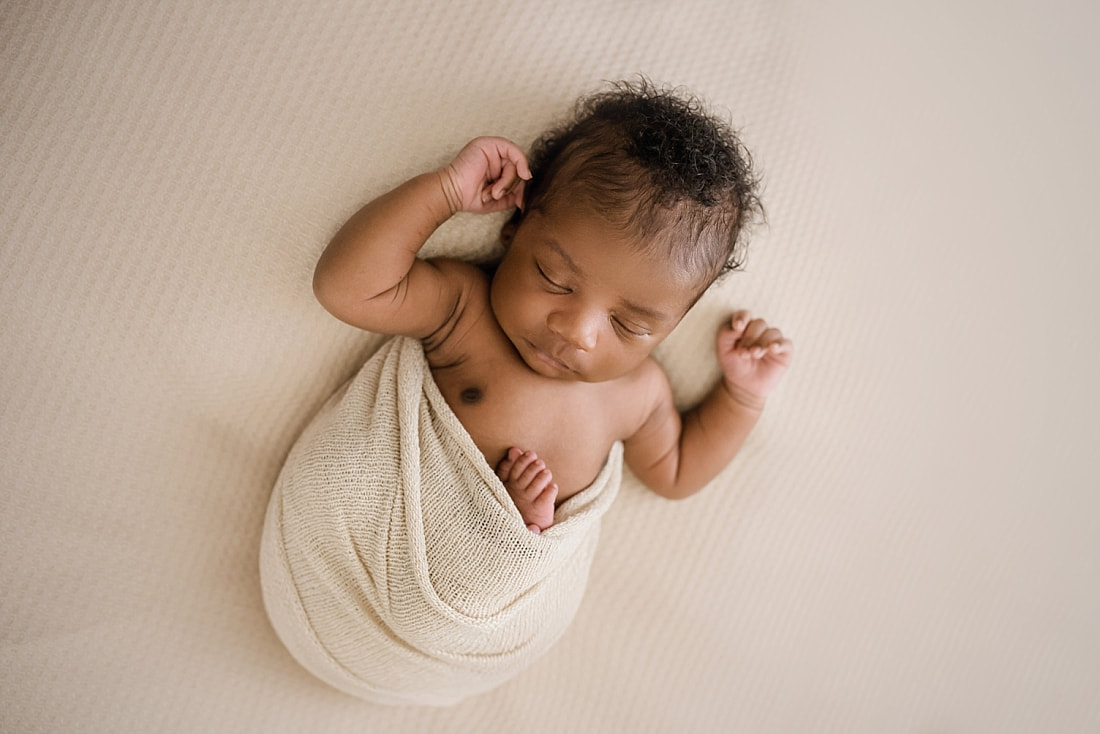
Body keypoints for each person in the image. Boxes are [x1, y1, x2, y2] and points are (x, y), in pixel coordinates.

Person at [312, 80, 792, 534]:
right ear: (513, 230)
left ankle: (507, 539)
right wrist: (446, 192)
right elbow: (347, 288)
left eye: (629, 325)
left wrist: (742, 396)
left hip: (496, 608)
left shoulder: (639, 394)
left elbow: (677, 472)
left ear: (672, 329)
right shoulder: (463, 311)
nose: (577, 332)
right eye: (555, 279)